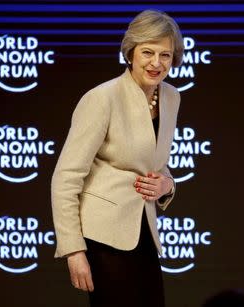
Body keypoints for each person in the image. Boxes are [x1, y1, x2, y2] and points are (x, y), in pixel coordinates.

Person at [51, 10, 184, 307]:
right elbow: (66, 177)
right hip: (103, 238)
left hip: (144, 234)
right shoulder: (101, 98)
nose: (156, 63)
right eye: (147, 52)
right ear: (130, 53)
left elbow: (158, 164)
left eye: (165, 55)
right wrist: (74, 250)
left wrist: (167, 186)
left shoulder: (171, 97)